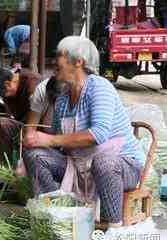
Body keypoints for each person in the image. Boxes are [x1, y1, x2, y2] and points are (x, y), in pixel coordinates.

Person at [23, 36, 144, 229]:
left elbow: (98, 134)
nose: (54, 62)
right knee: (35, 155)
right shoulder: (62, 99)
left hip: (122, 165)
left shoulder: (99, 87)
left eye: (59, 56)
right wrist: (38, 142)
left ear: (78, 61)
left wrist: (50, 139)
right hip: (78, 166)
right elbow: (60, 145)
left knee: (104, 162)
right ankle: (56, 214)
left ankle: (114, 227)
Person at [0, 68, 41, 190]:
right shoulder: (8, 89)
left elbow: (35, 120)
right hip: (24, 125)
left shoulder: (32, 85)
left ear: (8, 84)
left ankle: (9, 174)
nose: (4, 98)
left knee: (2, 124)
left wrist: (24, 131)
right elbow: (11, 115)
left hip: (40, 128)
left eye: (3, 95)